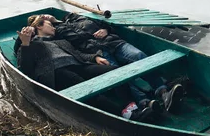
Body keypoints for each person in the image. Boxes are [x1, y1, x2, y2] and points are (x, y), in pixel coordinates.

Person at [16, 13, 184, 113]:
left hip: (108, 46)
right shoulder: (51, 36)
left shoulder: (72, 22)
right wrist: (26, 39)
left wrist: (105, 32)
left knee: (135, 58)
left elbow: (104, 27)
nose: (51, 24)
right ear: (39, 25)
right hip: (83, 59)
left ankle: (161, 93)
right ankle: (138, 105)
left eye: (51, 21)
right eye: (47, 22)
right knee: (109, 76)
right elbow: (26, 58)